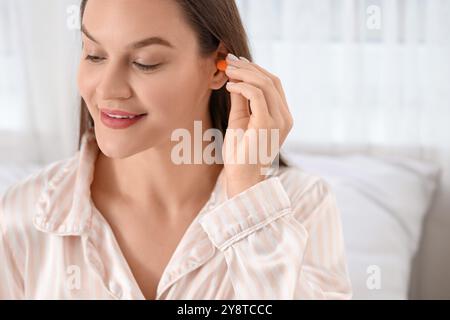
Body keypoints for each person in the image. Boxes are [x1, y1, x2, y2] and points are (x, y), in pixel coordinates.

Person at [0, 0, 352, 299]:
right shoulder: (21, 215)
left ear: (220, 66)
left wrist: (249, 197)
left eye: (145, 62)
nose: (108, 89)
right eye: (94, 55)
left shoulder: (303, 206)